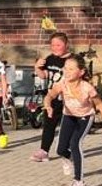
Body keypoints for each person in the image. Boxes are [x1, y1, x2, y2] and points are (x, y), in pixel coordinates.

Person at [43, 55, 102, 186]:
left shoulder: (86, 87)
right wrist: (48, 106)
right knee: (60, 150)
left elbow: (99, 104)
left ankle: (79, 183)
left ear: (81, 72)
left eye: (71, 69)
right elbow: (50, 95)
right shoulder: (62, 83)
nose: (67, 71)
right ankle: (71, 159)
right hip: (69, 116)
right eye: (65, 68)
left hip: (85, 117)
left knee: (75, 143)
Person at [31, 32, 74, 162]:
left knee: (69, 125)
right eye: (52, 45)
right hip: (52, 97)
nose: (55, 47)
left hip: (68, 98)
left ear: (66, 45)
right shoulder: (50, 59)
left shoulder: (72, 60)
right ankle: (44, 151)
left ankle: (69, 149)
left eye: (58, 45)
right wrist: (37, 67)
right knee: (49, 124)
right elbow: (43, 75)